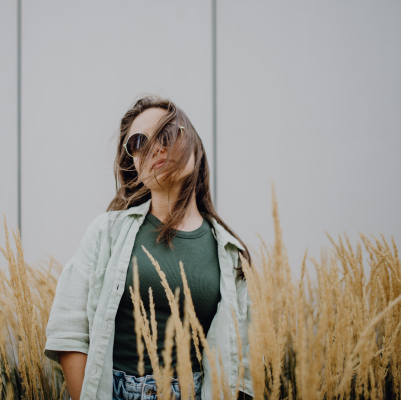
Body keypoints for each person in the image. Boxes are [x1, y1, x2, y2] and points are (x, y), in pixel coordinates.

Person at [44, 95, 254, 400]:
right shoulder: (106, 233)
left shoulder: (230, 252)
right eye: (139, 142)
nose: (155, 146)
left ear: (194, 145)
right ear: (135, 166)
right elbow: (70, 332)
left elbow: (242, 363)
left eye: (167, 134)